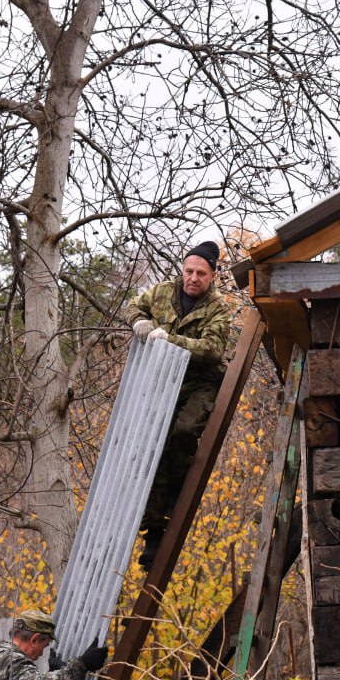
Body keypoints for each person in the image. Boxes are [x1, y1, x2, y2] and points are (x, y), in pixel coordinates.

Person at [125, 240, 235, 566]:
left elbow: (211, 350)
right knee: (154, 446)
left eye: (201, 273)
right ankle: (153, 532)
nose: (193, 278)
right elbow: (132, 306)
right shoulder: (161, 293)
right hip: (165, 381)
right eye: (188, 271)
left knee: (184, 431)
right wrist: (140, 323)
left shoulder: (219, 309)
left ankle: (178, 495)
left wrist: (169, 339)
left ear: (213, 276)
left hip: (201, 382)